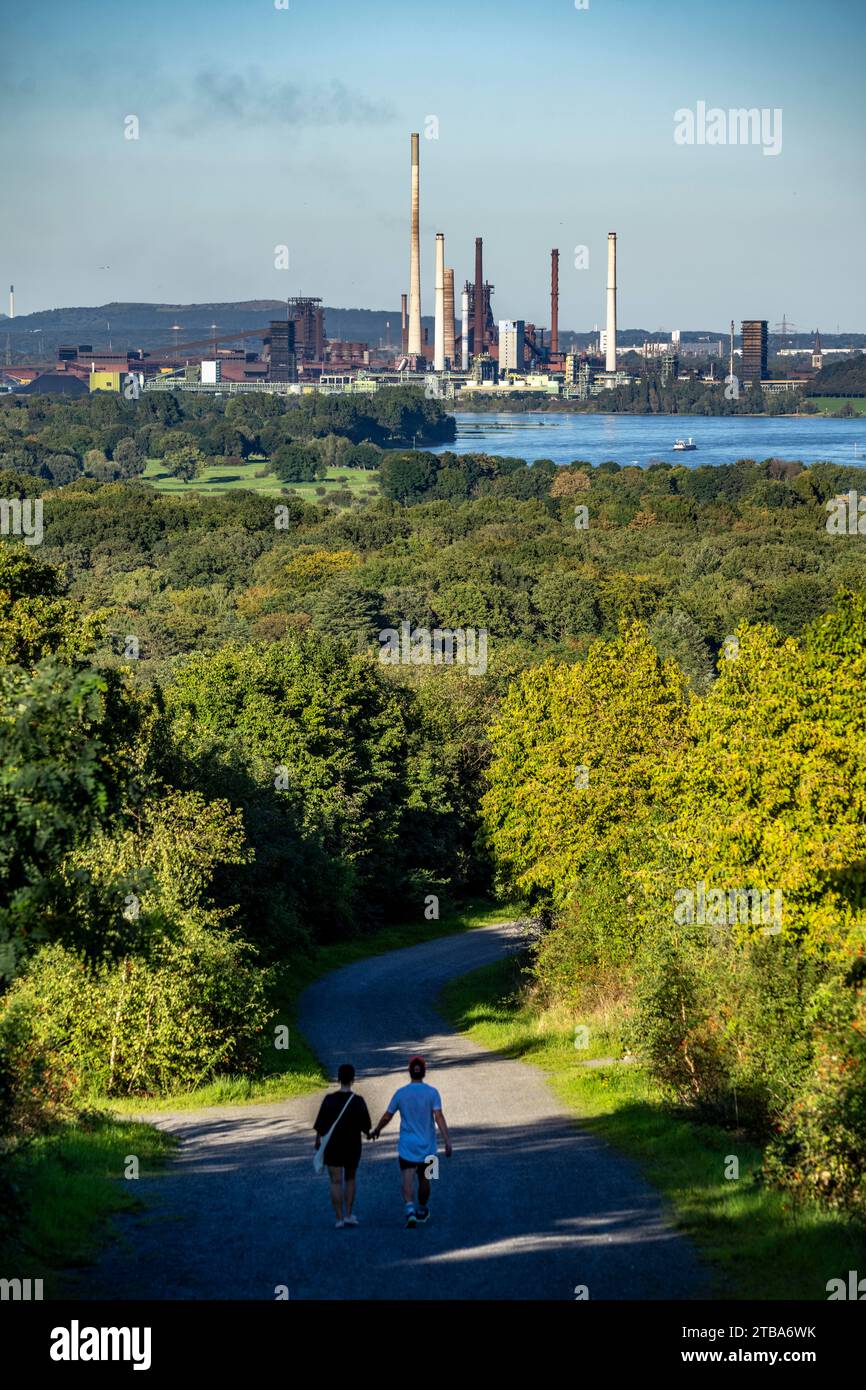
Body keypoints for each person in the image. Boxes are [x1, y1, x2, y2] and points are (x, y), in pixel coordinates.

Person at [371, 1055, 452, 1228]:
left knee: (407, 1177)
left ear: (409, 1072)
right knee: (426, 1179)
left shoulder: (401, 1093)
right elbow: (438, 1116)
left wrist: (378, 1129)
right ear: (424, 1072)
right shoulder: (433, 1092)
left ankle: (409, 1209)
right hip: (429, 1147)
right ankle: (422, 1209)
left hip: (407, 1146)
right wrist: (447, 1140)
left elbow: (388, 1115)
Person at [313, 1063, 372, 1229]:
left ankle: (338, 1218)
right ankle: (348, 1214)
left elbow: (320, 1126)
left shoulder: (329, 1100)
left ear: (338, 1079)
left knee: (335, 1182)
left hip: (333, 1147)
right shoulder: (358, 1101)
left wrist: (317, 1140)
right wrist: (370, 1134)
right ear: (353, 1079)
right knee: (350, 1179)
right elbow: (366, 1127)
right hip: (352, 1146)